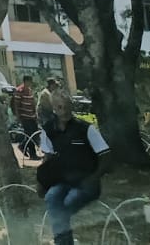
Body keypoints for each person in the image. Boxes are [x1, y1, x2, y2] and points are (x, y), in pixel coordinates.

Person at [39, 95, 110, 245]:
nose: (64, 111)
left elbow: (106, 155)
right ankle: (65, 242)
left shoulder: (85, 129)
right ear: (54, 109)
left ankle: (63, 241)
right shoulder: (48, 130)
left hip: (85, 181)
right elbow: (48, 157)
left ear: (72, 107)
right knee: (51, 197)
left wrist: (94, 177)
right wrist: (41, 181)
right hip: (63, 180)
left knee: (65, 205)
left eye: (67, 107)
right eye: (59, 107)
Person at [12, 75, 41, 160]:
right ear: (25, 81)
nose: (30, 84)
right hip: (25, 117)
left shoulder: (29, 91)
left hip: (32, 117)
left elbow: (33, 104)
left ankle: (22, 145)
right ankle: (33, 154)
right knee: (30, 136)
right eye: (29, 82)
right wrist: (18, 117)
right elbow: (16, 105)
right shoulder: (19, 91)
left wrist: (35, 114)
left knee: (34, 135)